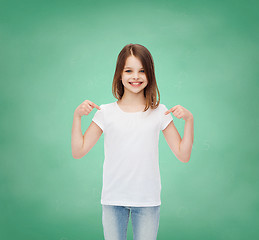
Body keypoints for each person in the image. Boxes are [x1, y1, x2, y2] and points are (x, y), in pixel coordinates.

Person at [71, 43, 194, 240]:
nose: (135, 77)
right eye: (129, 70)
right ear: (120, 74)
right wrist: (77, 117)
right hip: (113, 199)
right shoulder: (105, 112)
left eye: (142, 71)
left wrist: (189, 120)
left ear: (150, 75)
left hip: (147, 200)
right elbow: (78, 151)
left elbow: (183, 155)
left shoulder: (160, 112)